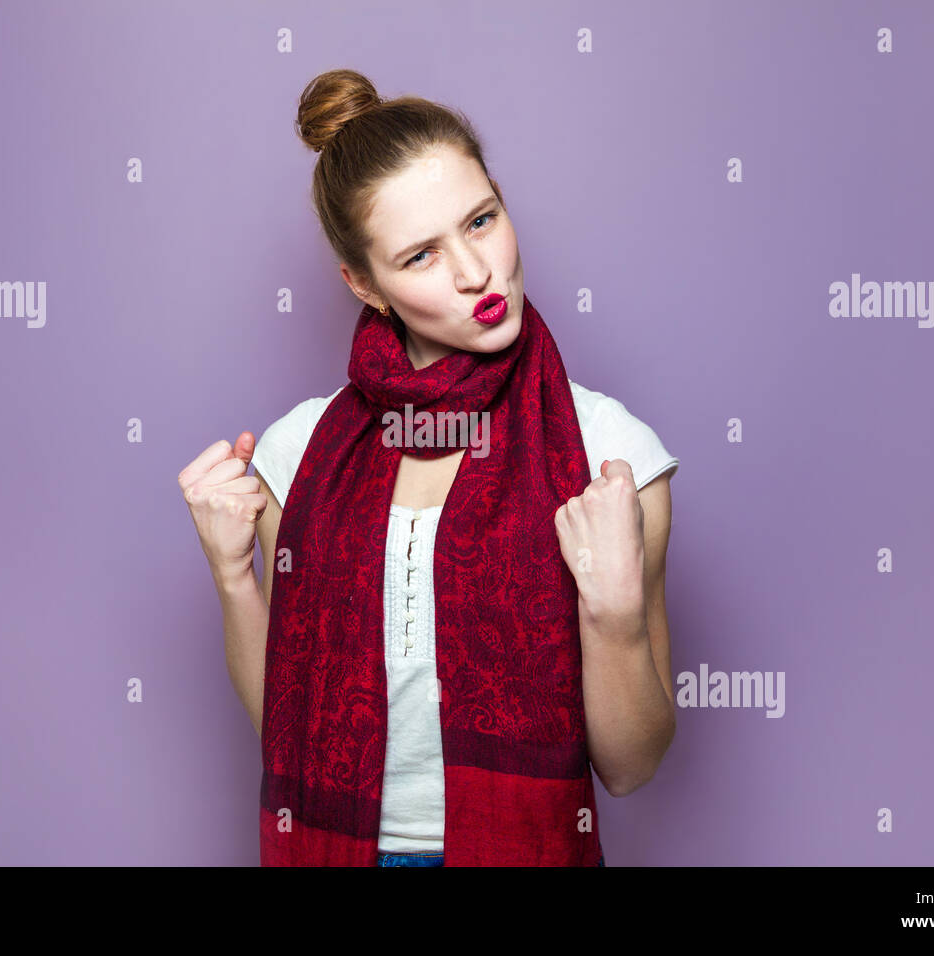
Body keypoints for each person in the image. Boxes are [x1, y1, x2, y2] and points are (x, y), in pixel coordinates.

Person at [179, 69, 679, 867]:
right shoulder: (295, 458)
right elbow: (286, 726)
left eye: (482, 219)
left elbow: (632, 765)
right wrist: (234, 576)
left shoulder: (608, 453)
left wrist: (614, 614)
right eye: (421, 256)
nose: (476, 272)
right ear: (364, 284)